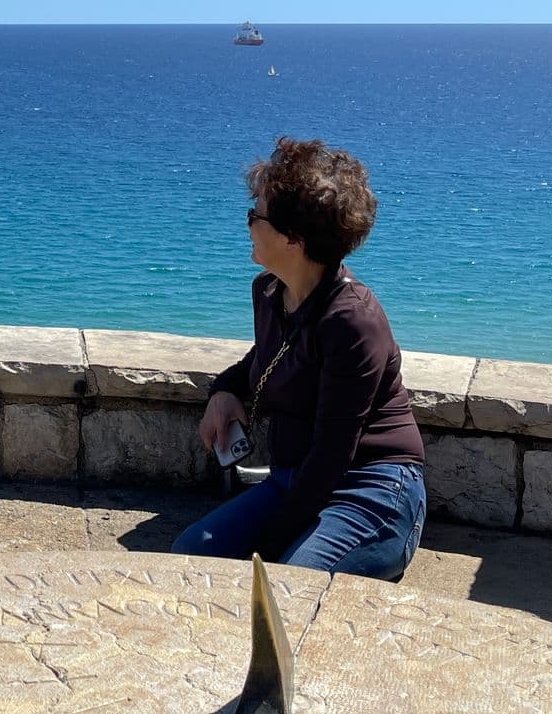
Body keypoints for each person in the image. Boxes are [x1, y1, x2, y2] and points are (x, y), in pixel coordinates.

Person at [172, 137, 426, 579]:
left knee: (290, 585)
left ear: (294, 238)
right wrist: (224, 391)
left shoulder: (353, 322)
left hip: (373, 489)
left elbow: (331, 455)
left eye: (256, 216)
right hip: (293, 480)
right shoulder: (270, 293)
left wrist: (270, 546)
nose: (248, 224)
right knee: (192, 556)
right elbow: (265, 359)